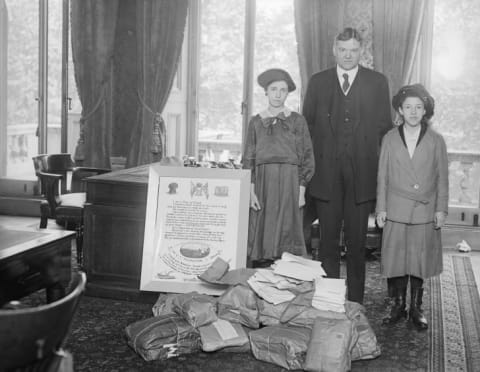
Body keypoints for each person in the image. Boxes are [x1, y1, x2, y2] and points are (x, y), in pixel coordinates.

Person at [302, 27, 392, 303]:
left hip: (361, 178)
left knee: (356, 245)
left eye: (354, 50)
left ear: (361, 51)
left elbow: (384, 131)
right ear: (334, 50)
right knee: (327, 243)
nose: (349, 55)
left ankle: (354, 303)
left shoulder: (377, 82)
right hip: (326, 178)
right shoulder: (318, 82)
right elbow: (306, 130)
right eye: (343, 50)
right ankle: (329, 300)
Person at [376, 84, 448, 331]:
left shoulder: (436, 140)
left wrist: (441, 209)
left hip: (424, 210)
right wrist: (381, 208)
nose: (414, 112)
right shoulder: (389, 138)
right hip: (395, 208)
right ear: (400, 110)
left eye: (419, 107)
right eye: (408, 107)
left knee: (418, 261)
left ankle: (417, 308)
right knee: (396, 259)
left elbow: (443, 178)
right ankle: (397, 307)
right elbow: (382, 176)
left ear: (425, 110)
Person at [243, 68, 315, 267]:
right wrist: (250, 191)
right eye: (273, 89)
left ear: (287, 93)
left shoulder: (297, 120)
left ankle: (288, 281)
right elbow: (248, 158)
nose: (277, 94)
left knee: (288, 230)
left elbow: (307, 156)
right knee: (262, 230)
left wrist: (301, 190)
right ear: (266, 92)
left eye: (282, 90)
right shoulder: (256, 122)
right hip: (263, 183)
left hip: (290, 182)